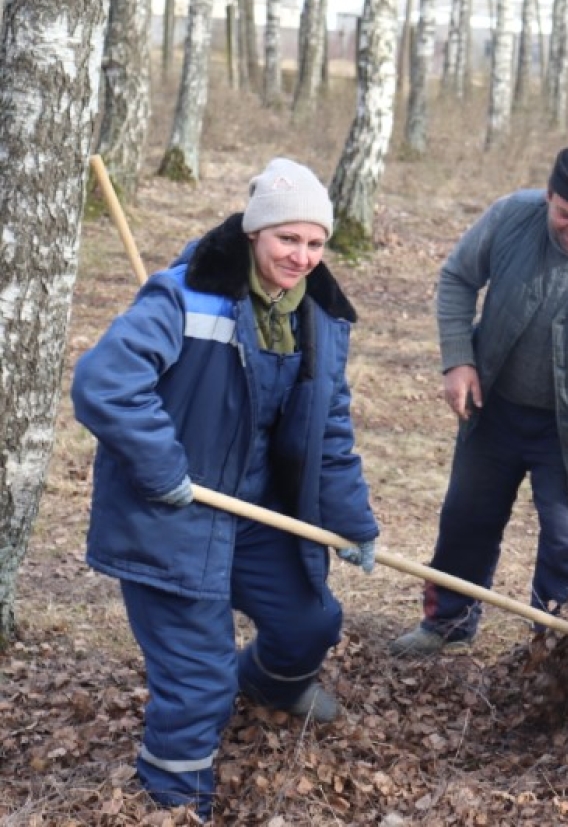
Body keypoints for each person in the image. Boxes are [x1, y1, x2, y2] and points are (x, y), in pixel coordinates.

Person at [71, 158, 380, 819]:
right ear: (252, 232)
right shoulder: (183, 296)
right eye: (286, 239)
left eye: (315, 242)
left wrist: (355, 521)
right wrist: (163, 469)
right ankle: (175, 798)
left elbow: (328, 428)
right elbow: (104, 383)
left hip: (253, 509)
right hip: (172, 515)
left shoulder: (320, 319)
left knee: (313, 620)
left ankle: (270, 685)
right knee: (197, 681)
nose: (302, 256)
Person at [391, 145, 568, 657]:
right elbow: (456, 279)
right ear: (548, 197)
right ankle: (447, 624)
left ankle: (554, 650)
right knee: (465, 520)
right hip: (493, 407)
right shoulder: (511, 217)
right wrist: (457, 357)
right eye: (566, 214)